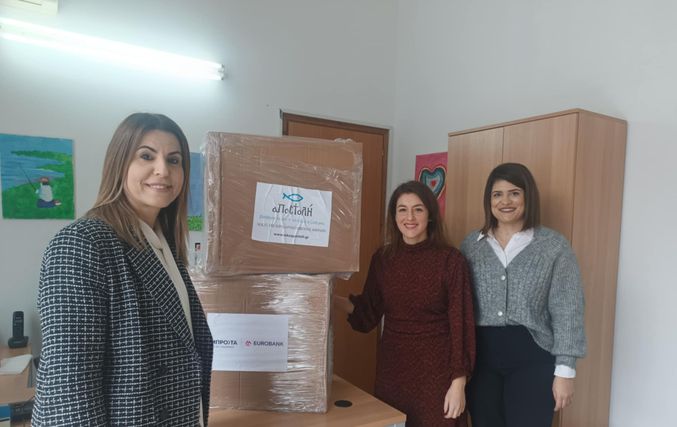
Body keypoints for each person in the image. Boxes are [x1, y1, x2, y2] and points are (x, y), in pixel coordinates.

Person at [33, 113, 213, 426]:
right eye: (146, 156)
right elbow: (69, 387)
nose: (163, 170)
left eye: (174, 160)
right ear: (119, 163)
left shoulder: (164, 243)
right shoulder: (82, 243)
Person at [335, 180, 475, 427]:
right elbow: (367, 314)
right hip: (394, 372)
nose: (409, 217)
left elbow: (461, 324)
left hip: (438, 374)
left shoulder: (451, 261)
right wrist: (329, 298)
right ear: (394, 216)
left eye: (418, 209)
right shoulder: (383, 259)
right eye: (402, 209)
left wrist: (458, 382)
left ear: (430, 215)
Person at [460, 163, 586, 427]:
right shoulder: (471, 245)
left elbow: (568, 309)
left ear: (528, 197)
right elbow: (458, 305)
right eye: (497, 194)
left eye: (514, 193)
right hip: (481, 360)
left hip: (533, 357)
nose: (505, 201)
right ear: (489, 201)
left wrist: (565, 371)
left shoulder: (554, 246)